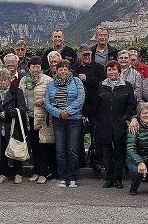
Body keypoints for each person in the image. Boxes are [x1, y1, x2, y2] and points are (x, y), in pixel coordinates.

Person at [95, 60, 137, 188]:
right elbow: (98, 105)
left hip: (120, 124)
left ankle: (118, 179)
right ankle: (109, 179)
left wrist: (128, 119)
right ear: (106, 72)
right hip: (104, 124)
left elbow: (131, 105)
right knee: (106, 154)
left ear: (119, 71)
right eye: (109, 70)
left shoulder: (127, 86)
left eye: (114, 69)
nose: (112, 72)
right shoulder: (101, 85)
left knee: (119, 153)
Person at [45, 59, 85, 188]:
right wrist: (58, 113)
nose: (63, 71)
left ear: (69, 70)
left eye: (65, 69)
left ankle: (73, 177)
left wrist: (68, 111)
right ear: (56, 70)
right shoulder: (51, 84)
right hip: (58, 120)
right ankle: (63, 177)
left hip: (74, 119)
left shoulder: (76, 81)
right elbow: (47, 102)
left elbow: (80, 99)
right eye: (60, 69)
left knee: (72, 149)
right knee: (60, 150)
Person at [20, 56, 54, 184]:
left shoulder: (48, 80)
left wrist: (44, 101)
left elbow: (53, 96)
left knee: (43, 146)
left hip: (42, 117)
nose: (35, 69)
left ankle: (44, 172)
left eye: (38, 66)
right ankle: (36, 171)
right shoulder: (24, 80)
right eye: (33, 66)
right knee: (34, 146)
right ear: (29, 68)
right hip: (29, 117)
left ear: (41, 67)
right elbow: (20, 96)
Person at [0, 68, 27, 184]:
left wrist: (8, 113)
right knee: (1, 151)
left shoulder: (17, 91)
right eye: (1, 80)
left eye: (6, 80)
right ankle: (3, 173)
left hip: (13, 126)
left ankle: (18, 173)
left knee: (15, 149)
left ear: (10, 80)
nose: (3, 82)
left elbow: (22, 109)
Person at [72, 44, 105, 170]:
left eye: (89, 55)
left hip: (96, 107)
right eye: (84, 55)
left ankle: (95, 161)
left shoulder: (99, 67)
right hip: (79, 108)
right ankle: (80, 162)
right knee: (78, 135)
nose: (87, 57)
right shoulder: (74, 68)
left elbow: (102, 82)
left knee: (95, 135)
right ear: (79, 56)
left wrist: (87, 79)